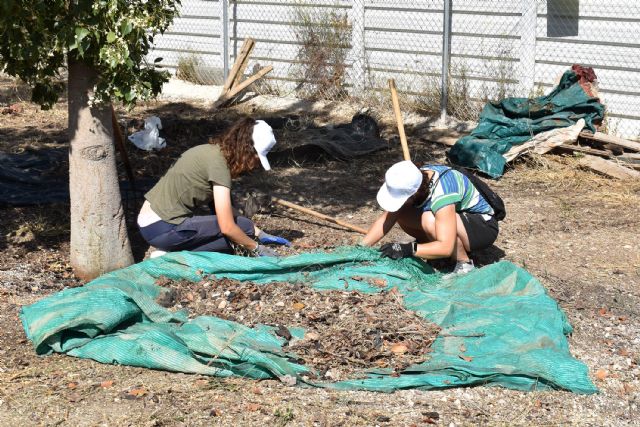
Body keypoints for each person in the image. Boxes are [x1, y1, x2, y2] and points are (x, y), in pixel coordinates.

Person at [137, 117, 290, 258]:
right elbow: (227, 227)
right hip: (163, 227)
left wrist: (260, 233)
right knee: (242, 230)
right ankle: (173, 255)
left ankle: (172, 251)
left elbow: (226, 210)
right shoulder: (219, 167)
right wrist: (257, 248)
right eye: (256, 157)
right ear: (246, 149)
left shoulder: (211, 152)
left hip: (150, 225)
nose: (254, 164)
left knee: (241, 235)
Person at [360, 160, 499, 275]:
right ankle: (435, 251)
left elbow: (446, 246)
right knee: (400, 211)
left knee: (429, 219)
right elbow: (386, 219)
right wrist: (361, 248)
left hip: (482, 227)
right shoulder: (416, 178)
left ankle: (464, 265)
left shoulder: (443, 191)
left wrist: (408, 249)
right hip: (456, 221)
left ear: (414, 193)